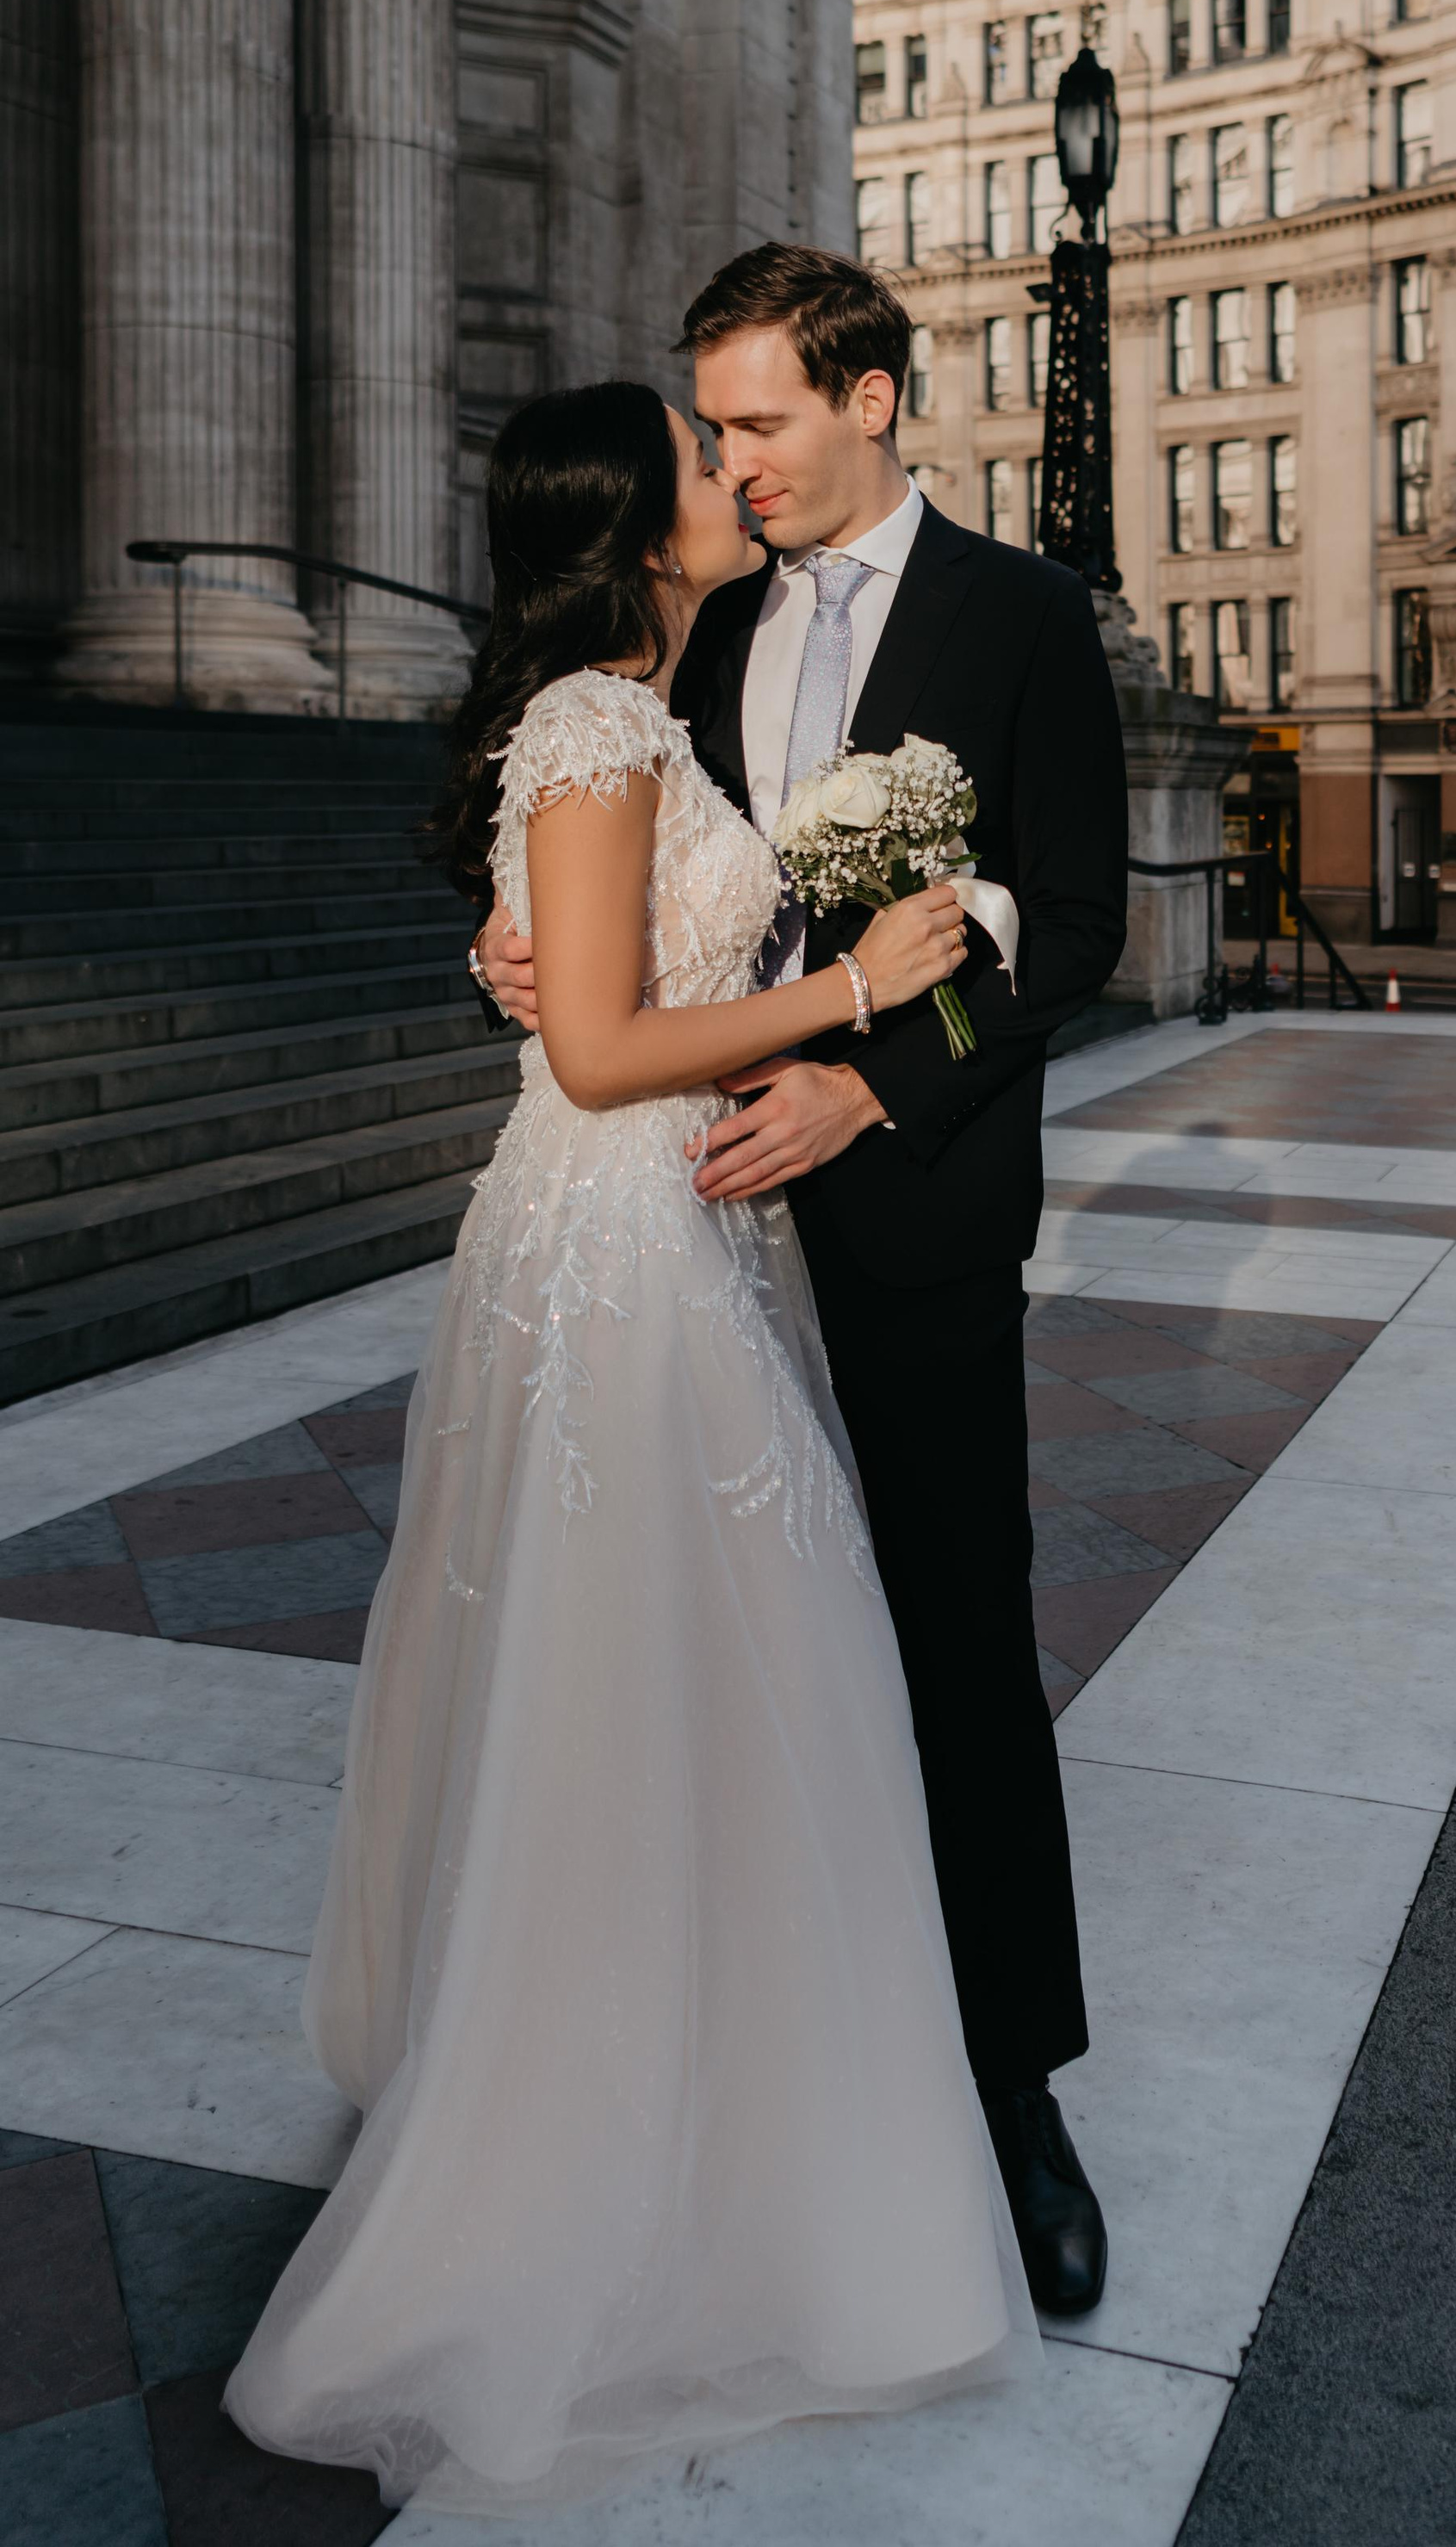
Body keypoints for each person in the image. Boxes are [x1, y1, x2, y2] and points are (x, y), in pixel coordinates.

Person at [226, 381, 1035, 2516]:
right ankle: (608, 2124)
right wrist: (846, 991)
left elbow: (596, 973)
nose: (731, 472)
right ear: (628, 520)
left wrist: (844, 963)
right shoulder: (595, 722)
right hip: (620, 1241)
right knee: (653, 1675)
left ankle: (710, 2089)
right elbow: (594, 1050)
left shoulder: (653, 710)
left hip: (678, 1227)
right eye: (699, 453)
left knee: (690, 1676)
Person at [478, 243, 1127, 2316]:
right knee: (724, 1658)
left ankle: (1010, 2092)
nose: (733, 458)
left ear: (869, 398)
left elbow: (1078, 924)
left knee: (952, 1636)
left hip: (911, 1202)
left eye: (758, 419)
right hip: (689, 1224)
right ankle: (748, 2064)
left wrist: (874, 1086)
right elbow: (606, 869)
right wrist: (504, 952)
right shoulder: (697, 617)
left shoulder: (1020, 614)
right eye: (714, 427)